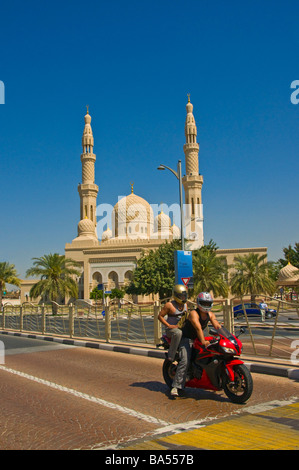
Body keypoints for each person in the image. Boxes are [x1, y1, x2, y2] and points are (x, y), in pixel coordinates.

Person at [170, 291, 221, 397]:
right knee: (185, 360)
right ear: (198, 303)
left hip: (198, 338)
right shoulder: (194, 313)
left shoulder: (210, 314)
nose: (206, 306)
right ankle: (176, 386)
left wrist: (226, 335)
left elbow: (217, 325)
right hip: (186, 338)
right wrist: (203, 341)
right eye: (204, 303)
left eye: (208, 303)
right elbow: (198, 328)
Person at [158, 284, 188, 362]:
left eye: (184, 296)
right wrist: (169, 325)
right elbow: (160, 316)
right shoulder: (169, 305)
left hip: (182, 328)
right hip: (171, 330)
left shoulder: (185, 305)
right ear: (176, 295)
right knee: (178, 333)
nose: (183, 298)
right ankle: (171, 355)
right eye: (181, 296)